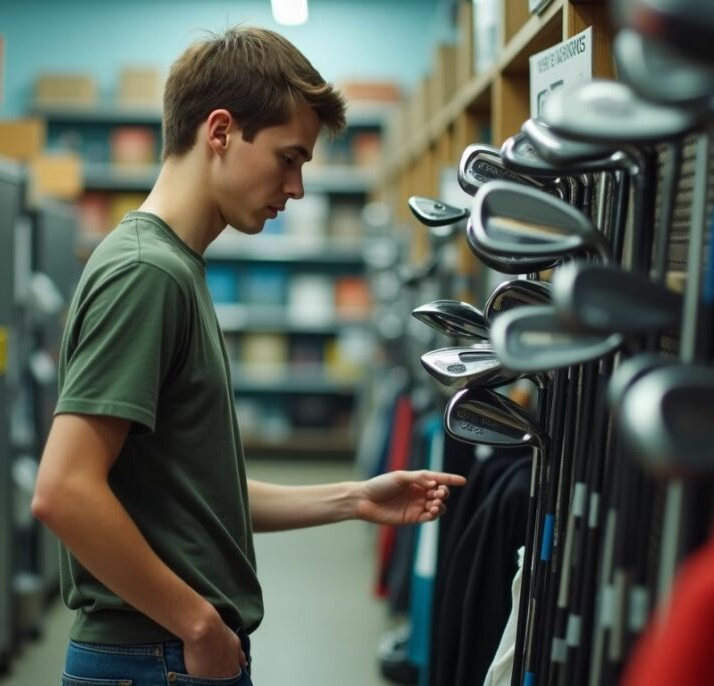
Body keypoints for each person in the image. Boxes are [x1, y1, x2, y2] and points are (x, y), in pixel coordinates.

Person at [32, 26, 466, 686]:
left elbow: (195, 495)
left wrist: (354, 499)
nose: (295, 188)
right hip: (156, 657)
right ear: (221, 131)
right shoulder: (148, 273)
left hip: (166, 653)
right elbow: (64, 491)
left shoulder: (172, 267)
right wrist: (197, 624)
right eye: (289, 158)